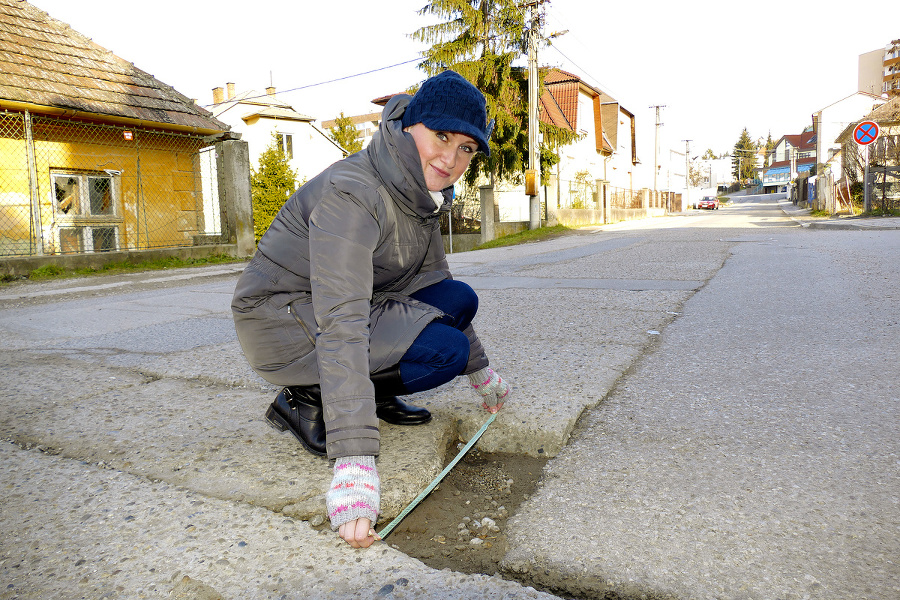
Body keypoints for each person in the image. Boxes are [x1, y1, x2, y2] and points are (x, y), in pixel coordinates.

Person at [231, 70, 510, 549]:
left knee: (460, 298)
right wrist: (355, 462)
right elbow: (341, 322)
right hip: (283, 321)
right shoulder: (354, 190)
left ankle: (372, 391)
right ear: (409, 126)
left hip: (347, 306)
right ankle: (304, 399)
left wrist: (481, 373)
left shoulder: (422, 195)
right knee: (443, 350)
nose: (450, 158)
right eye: (441, 136)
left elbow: (436, 285)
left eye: (466, 147)